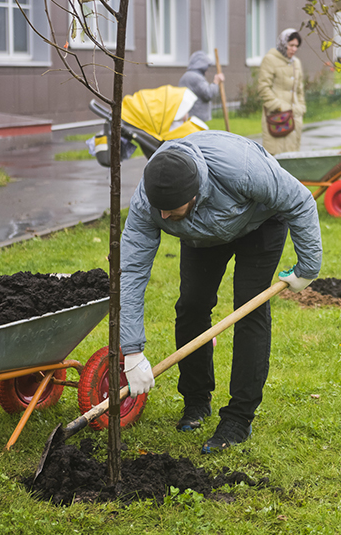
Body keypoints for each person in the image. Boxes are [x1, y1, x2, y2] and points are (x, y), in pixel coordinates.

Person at [120, 130, 322, 452]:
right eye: (159, 209)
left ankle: (238, 419)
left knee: (249, 309)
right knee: (192, 306)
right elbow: (131, 270)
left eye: (171, 209)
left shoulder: (242, 169)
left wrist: (308, 268)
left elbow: (299, 200)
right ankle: (196, 401)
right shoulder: (150, 200)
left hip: (260, 224)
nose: (163, 217)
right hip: (202, 237)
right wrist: (130, 350)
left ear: (195, 193)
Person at [257, 29, 306, 155]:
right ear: (283, 44)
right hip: (277, 118)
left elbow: (299, 89)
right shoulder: (270, 60)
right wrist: (279, 107)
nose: (294, 49)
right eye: (291, 45)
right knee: (275, 159)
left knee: (292, 158)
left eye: (296, 46)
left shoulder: (297, 63)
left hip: (295, 117)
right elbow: (263, 88)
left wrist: (301, 107)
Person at [179, 51, 225, 122]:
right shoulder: (196, 78)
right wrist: (216, 81)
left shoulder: (186, 76)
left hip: (189, 115)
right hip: (196, 117)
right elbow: (208, 94)